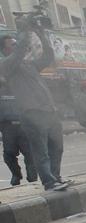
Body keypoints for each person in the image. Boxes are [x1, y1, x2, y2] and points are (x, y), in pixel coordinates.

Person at [0, 28, 68, 191]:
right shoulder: (7, 65)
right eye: (12, 44)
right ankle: (49, 182)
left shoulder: (29, 64)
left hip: (49, 111)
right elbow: (18, 53)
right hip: (31, 113)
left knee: (57, 147)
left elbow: (47, 57)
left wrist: (41, 34)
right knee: (40, 151)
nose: (16, 46)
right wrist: (25, 31)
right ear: (4, 49)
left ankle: (56, 177)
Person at [0, 87, 37, 185]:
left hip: (24, 125)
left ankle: (32, 176)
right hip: (7, 126)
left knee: (29, 153)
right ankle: (16, 174)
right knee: (8, 154)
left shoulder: (21, 87)